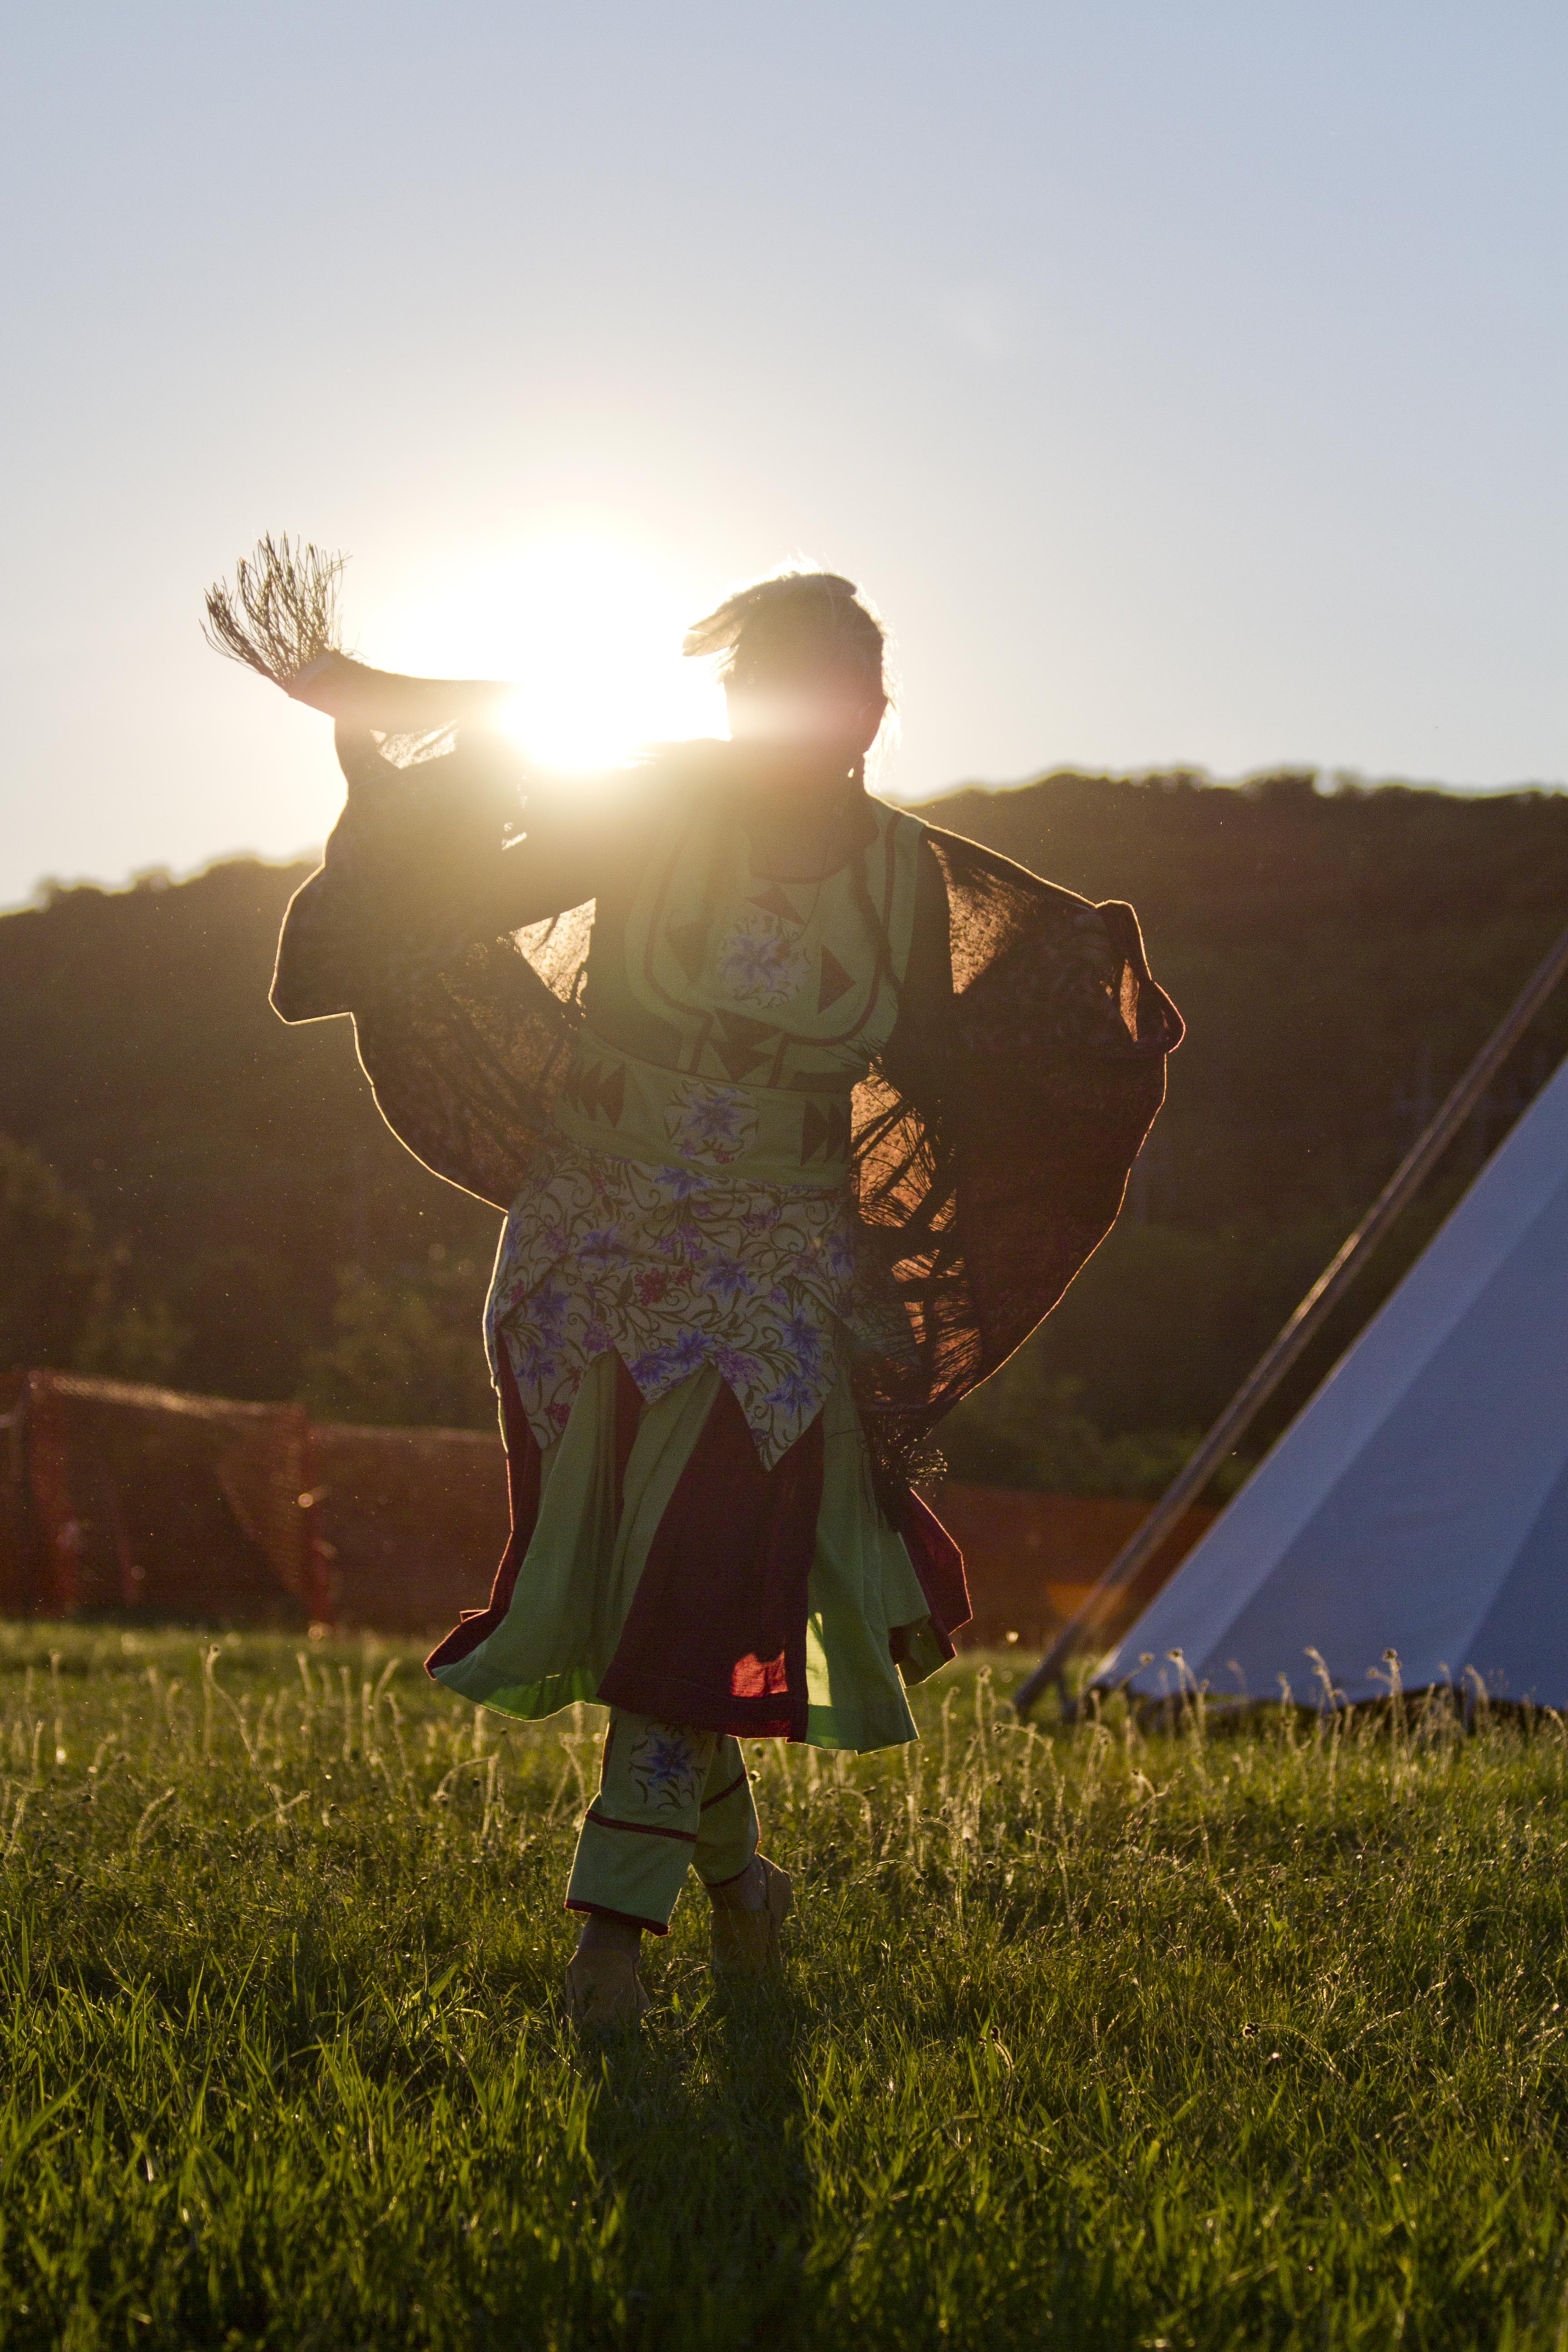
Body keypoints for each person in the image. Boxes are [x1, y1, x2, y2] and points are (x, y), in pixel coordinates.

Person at [220, 551, 1181, 2025]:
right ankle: (742, 1884)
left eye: (829, 697)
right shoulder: (657, 800)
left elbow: (939, 1069)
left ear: (876, 710)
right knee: (644, 1588)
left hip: (774, 1274)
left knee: (698, 1563)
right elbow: (451, 888)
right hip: (586, 1250)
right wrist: (391, 734)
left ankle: (611, 1929)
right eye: (760, 694)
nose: (796, 723)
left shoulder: (902, 881)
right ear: (736, 705)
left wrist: (1004, 1153)